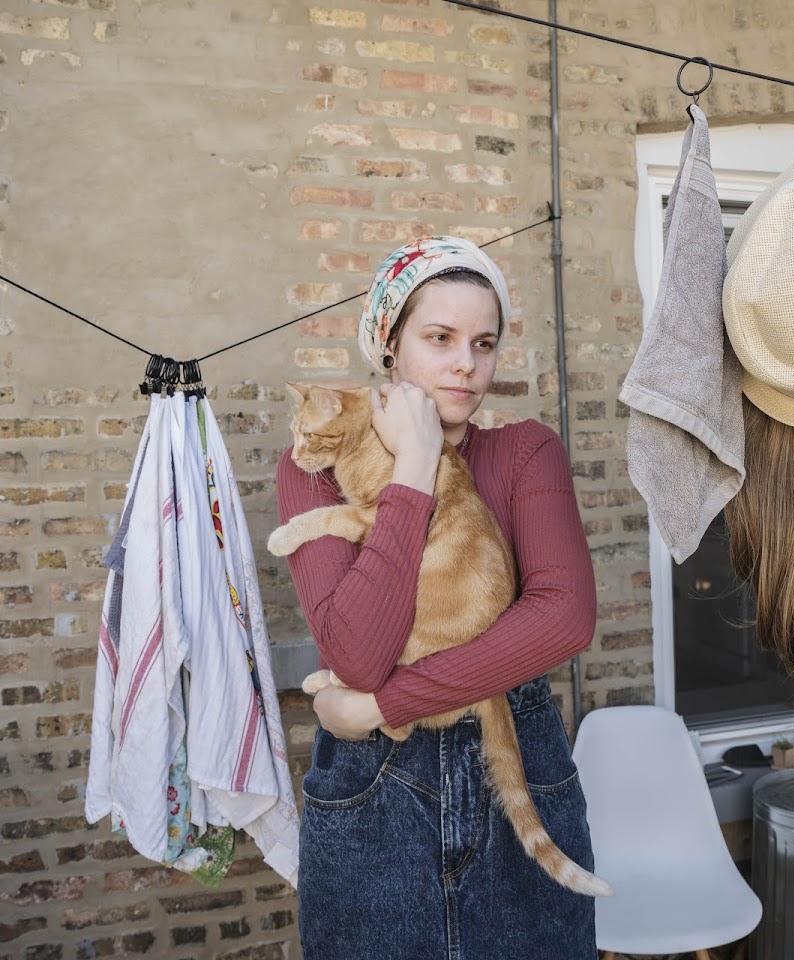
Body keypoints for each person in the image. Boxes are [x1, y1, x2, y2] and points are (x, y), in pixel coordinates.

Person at [275, 236, 599, 959]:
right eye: (440, 338)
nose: (466, 364)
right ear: (390, 345)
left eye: (483, 343)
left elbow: (564, 616)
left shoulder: (525, 452)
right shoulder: (316, 466)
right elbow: (356, 652)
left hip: (512, 755)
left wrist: (387, 704)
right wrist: (417, 464)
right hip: (372, 796)